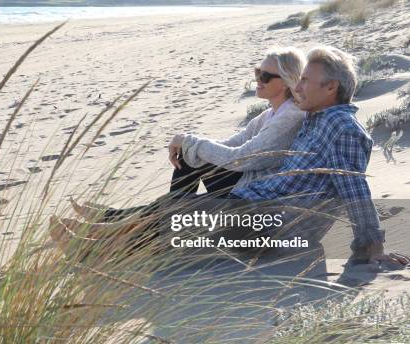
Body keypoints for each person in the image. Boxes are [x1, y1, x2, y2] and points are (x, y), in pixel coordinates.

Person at [52, 45, 409, 266]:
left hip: (276, 227)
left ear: (331, 88)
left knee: (183, 217)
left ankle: (94, 247)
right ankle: (99, 236)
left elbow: (354, 188)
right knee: (176, 209)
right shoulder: (317, 120)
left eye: (305, 82)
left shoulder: (343, 129)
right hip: (256, 208)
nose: (297, 88)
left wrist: (372, 245)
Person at [71, 47, 307, 222]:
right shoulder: (271, 114)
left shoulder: (289, 117)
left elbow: (242, 158)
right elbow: (230, 144)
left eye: (265, 76)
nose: (258, 80)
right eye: (258, 72)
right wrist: (189, 143)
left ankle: (124, 219)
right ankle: (126, 217)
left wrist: (189, 141)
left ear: (286, 82)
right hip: (243, 183)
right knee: (190, 155)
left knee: (192, 152)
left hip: (253, 200)